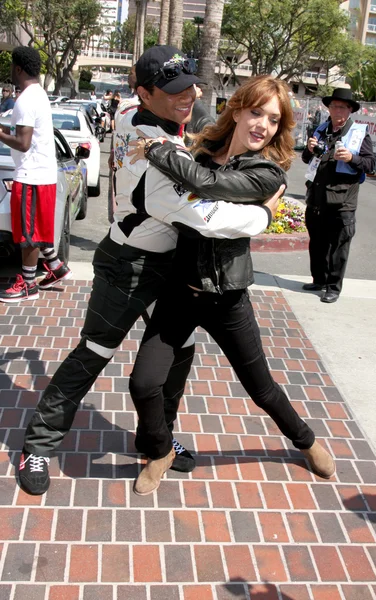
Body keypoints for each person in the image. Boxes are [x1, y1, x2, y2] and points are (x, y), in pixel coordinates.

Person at [18, 45, 282, 496]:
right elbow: (196, 214)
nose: (190, 95)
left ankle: (156, 441)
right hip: (130, 266)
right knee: (95, 353)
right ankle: (39, 442)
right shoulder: (145, 136)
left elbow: (199, 137)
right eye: (173, 90)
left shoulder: (154, 123)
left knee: (178, 353)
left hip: (172, 266)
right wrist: (263, 217)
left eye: (190, 85)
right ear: (142, 92)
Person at [126, 74, 336, 496]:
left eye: (274, 120)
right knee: (143, 383)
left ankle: (306, 440)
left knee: (261, 389)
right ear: (238, 109)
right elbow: (193, 130)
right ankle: (161, 450)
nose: (263, 125)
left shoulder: (266, 174)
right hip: (180, 291)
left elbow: (206, 186)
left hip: (228, 300)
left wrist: (155, 149)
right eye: (256, 112)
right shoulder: (203, 150)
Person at [0, 47, 72, 304]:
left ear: (18, 68)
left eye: (11, 66)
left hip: (31, 176)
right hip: (42, 174)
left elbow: (22, 142)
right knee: (37, 229)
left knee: (27, 234)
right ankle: (56, 267)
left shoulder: (26, 99)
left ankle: (27, 285)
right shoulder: (37, 94)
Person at [301, 88, 375, 303]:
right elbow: (308, 159)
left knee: (339, 246)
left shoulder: (360, 133)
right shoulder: (321, 130)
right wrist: (308, 148)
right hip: (317, 197)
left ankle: (333, 287)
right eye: (333, 106)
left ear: (350, 110)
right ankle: (319, 279)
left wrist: (352, 157)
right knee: (317, 242)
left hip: (342, 201)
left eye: (342, 106)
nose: (337, 110)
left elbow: (371, 163)